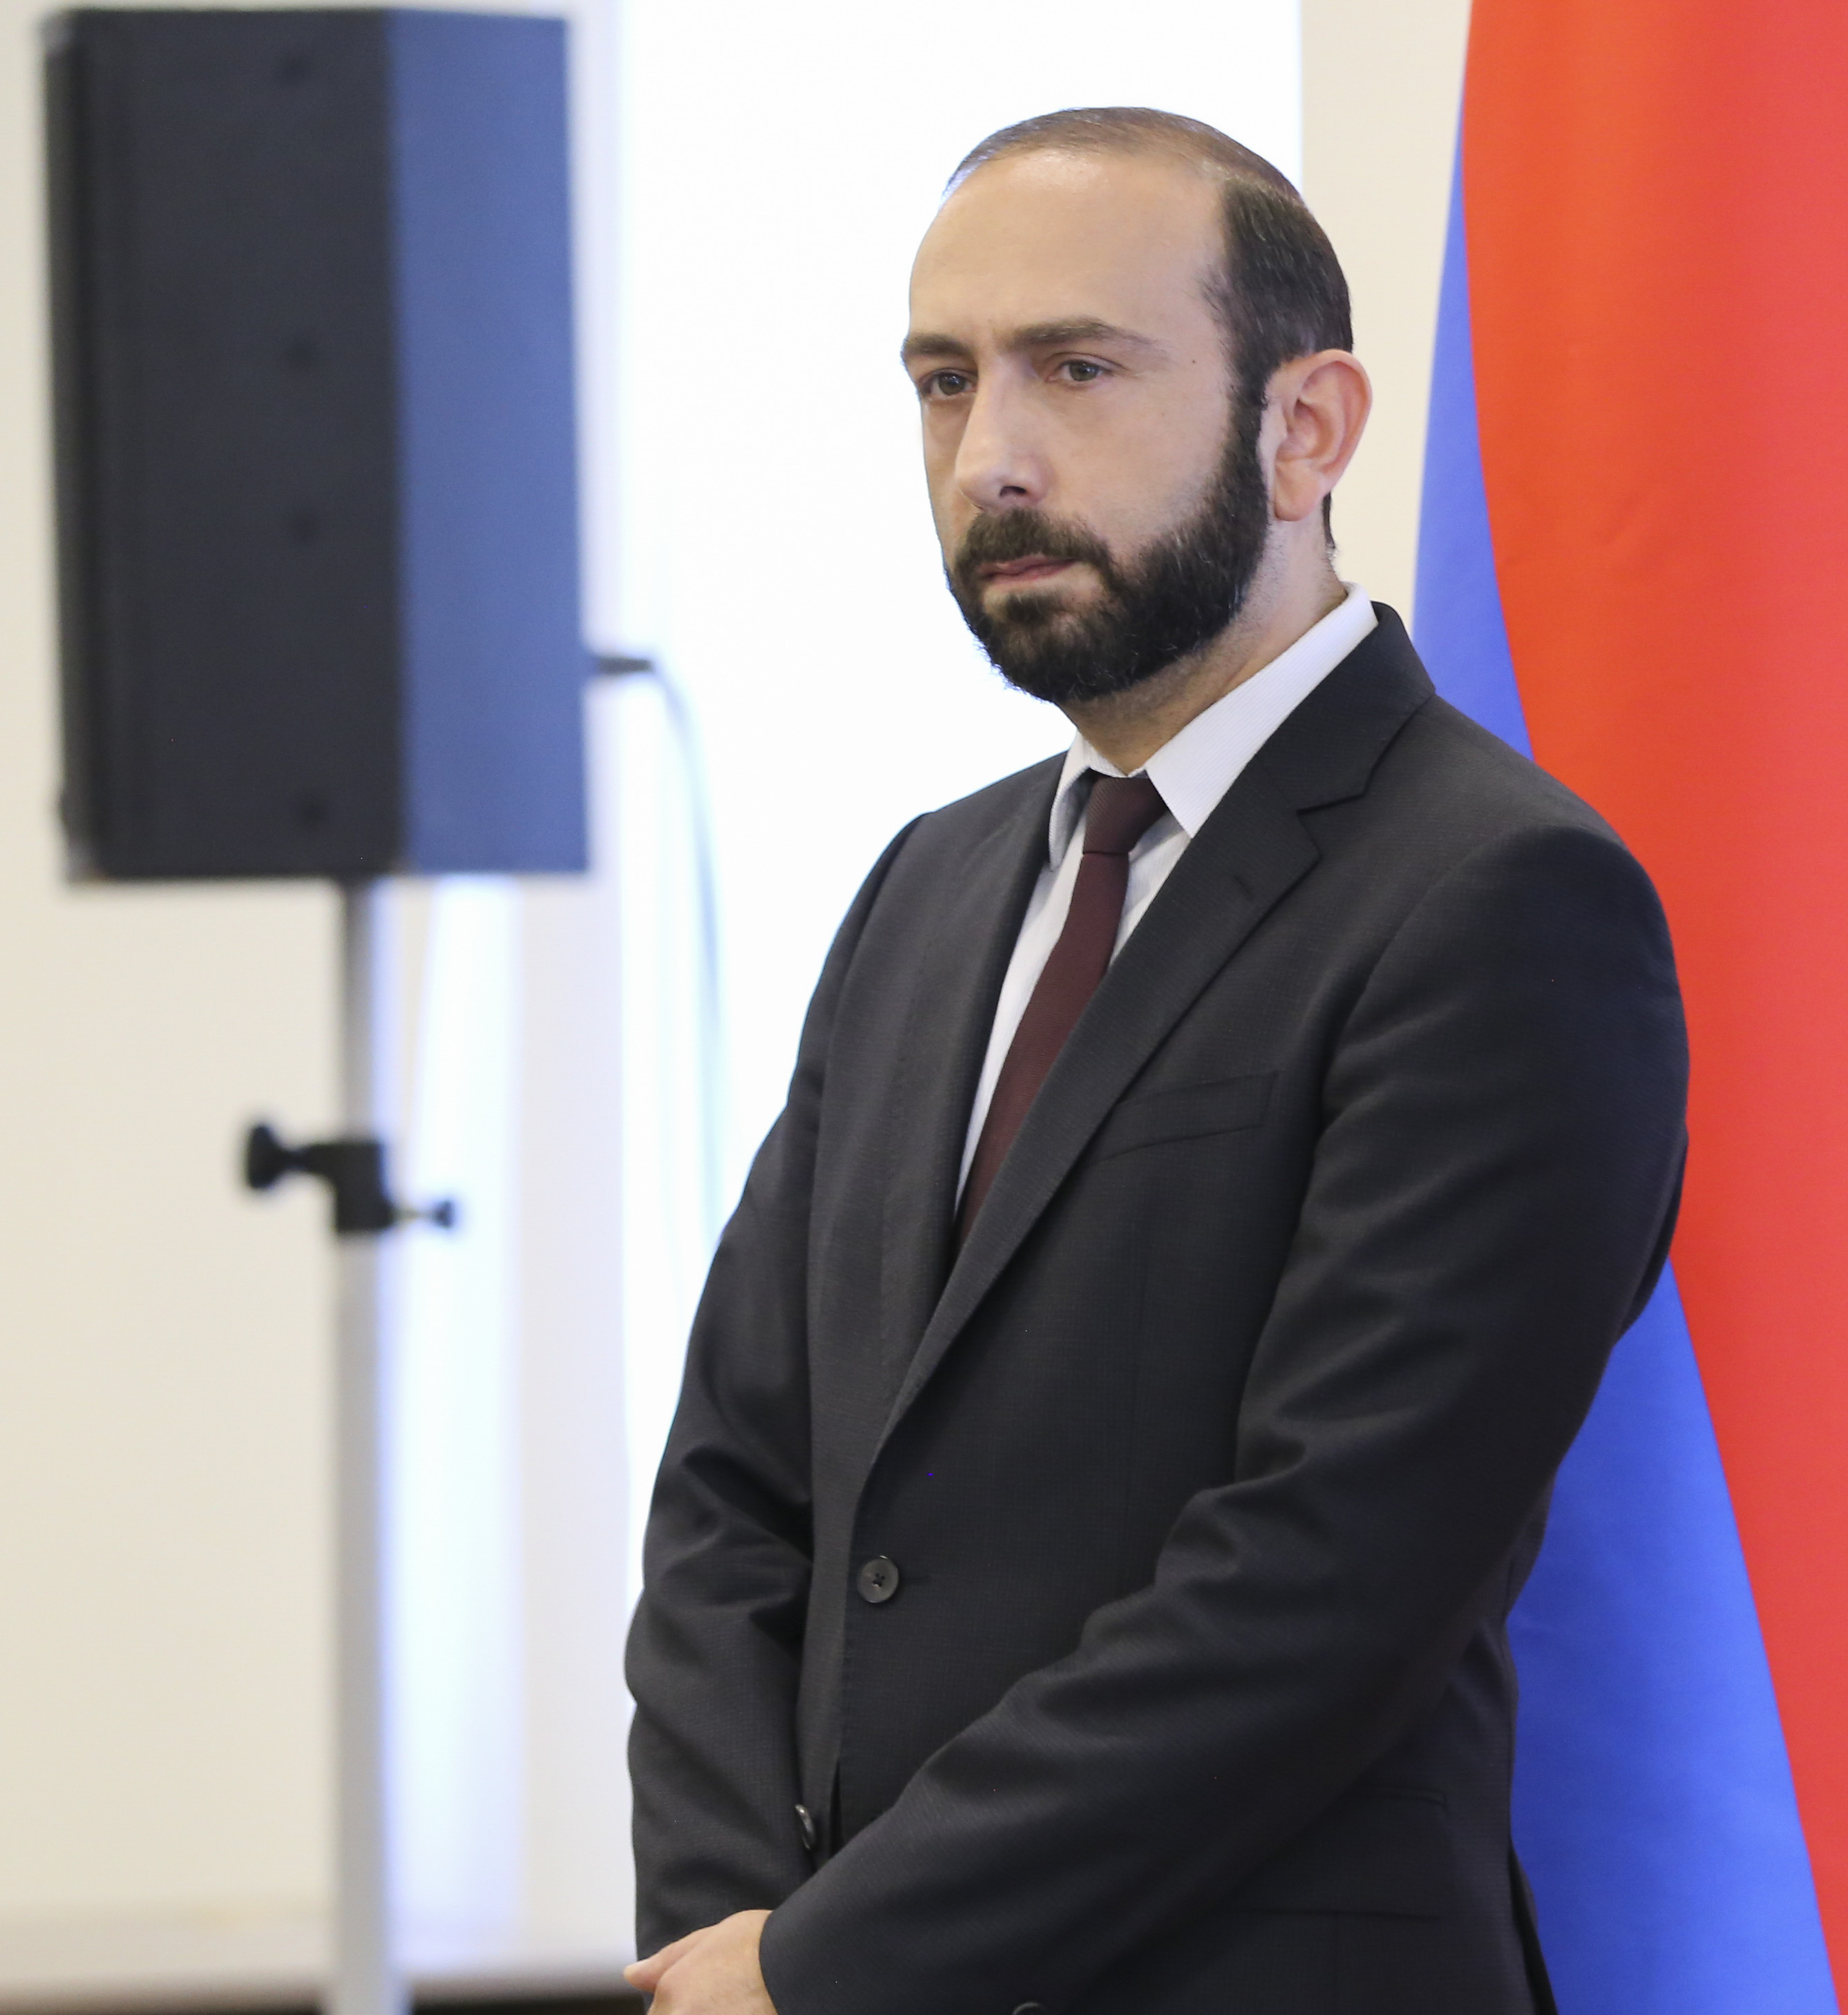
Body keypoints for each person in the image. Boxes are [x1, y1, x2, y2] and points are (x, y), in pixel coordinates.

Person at [620, 108, 1688, 2015]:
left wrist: (837, 1965)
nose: (991, 456)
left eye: (1078, 368)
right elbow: (737, 1494)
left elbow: (1326, 1583)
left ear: (1308, 428)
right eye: (945, 382)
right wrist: (733, 1949)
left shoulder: (1500, 896)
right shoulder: (927, 890)